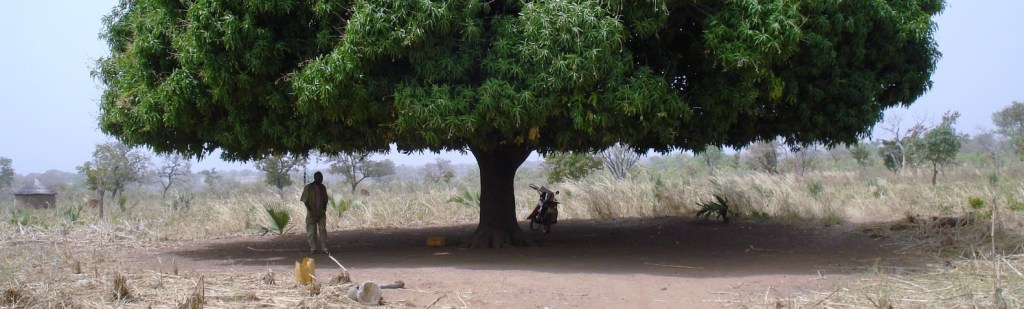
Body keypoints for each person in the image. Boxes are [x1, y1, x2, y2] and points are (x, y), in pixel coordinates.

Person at [300, 171, 330, 255]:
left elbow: (325, 200)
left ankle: (324, 247)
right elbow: (305, 201)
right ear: (315, 178)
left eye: (321, 178)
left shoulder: (323, 188)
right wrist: (310, 210)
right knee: (311, 231)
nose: (321, 180)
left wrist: (324, 209)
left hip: (321, 213)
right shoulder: (308, 187)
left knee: (322, 229)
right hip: (311, 213)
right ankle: (313, 248)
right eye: (319, 178)